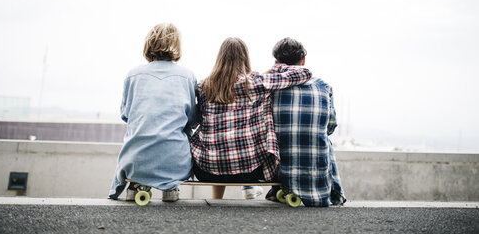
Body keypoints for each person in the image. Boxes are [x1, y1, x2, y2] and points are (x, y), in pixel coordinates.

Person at [189, 37, 312, 199]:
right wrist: (271, 70)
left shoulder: (203, 86)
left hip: (205, 172)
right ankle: (248, 188)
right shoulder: (256, 83)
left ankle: (217, 198)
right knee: (260, 113)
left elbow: (197, 120)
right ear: (245, 58)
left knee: (216, 136)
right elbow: (304, 73)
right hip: (250, 172)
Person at [109, 23, 197, 202]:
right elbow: (193, 120)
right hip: (175, 163)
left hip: (136, 162)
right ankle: (171, 189)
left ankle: (135, 186)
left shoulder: (133, 75)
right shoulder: (187, 76)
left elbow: (126, 114)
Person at [266, 37, 346, 207]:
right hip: (318, 177)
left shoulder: (271, 87)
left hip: (280, 171)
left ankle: (277, 190)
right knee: (325, 139)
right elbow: (330, 126)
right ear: (303, 60)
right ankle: (335, 193)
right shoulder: (324, 86)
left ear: (275, 62)